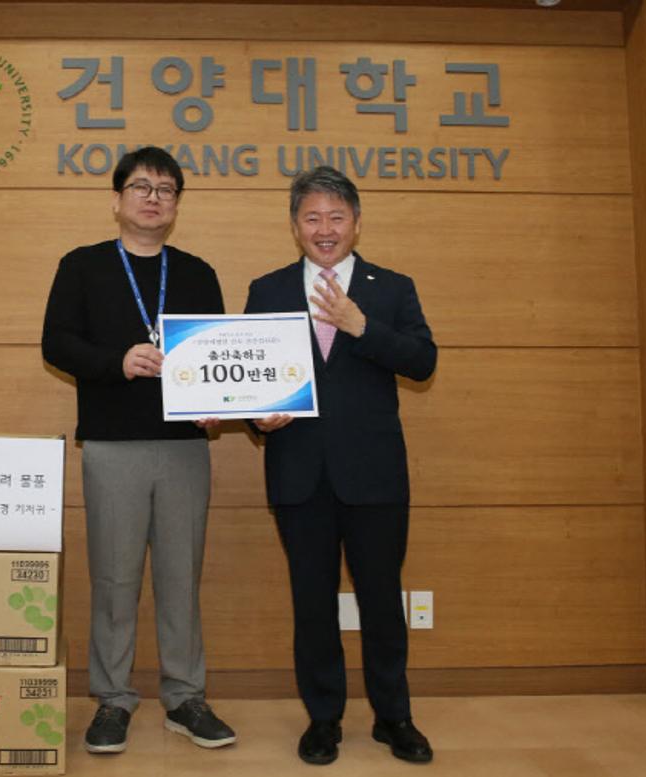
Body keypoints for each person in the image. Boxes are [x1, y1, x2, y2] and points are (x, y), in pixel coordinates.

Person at [41, 147, 235, 754]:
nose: (154, 198)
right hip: (112, 445)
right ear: (117, 199)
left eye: (167, 189)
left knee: (182, 576)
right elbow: (56, 343)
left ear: (177, 204)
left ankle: (185, 696)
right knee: (114, 578)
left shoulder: (198, 272)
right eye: (142, 187)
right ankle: (113, 699)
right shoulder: (82, 266)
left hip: (184, 448)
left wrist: (217, 405)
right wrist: (116, 362)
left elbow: (217, 355)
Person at [244, 166, 436, 765]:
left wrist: (362, 326)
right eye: (312, 217)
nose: (324, 229)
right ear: (294, 225)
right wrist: (258, 420)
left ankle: (393, 716)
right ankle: (323, 719)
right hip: (299, 473)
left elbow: (423, 361)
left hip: (374, 475)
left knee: (382, 601)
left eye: (336, 217)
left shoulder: (392, 288)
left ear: (356, 222)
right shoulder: (268, 290)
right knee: (312, 602)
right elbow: (251, 380)